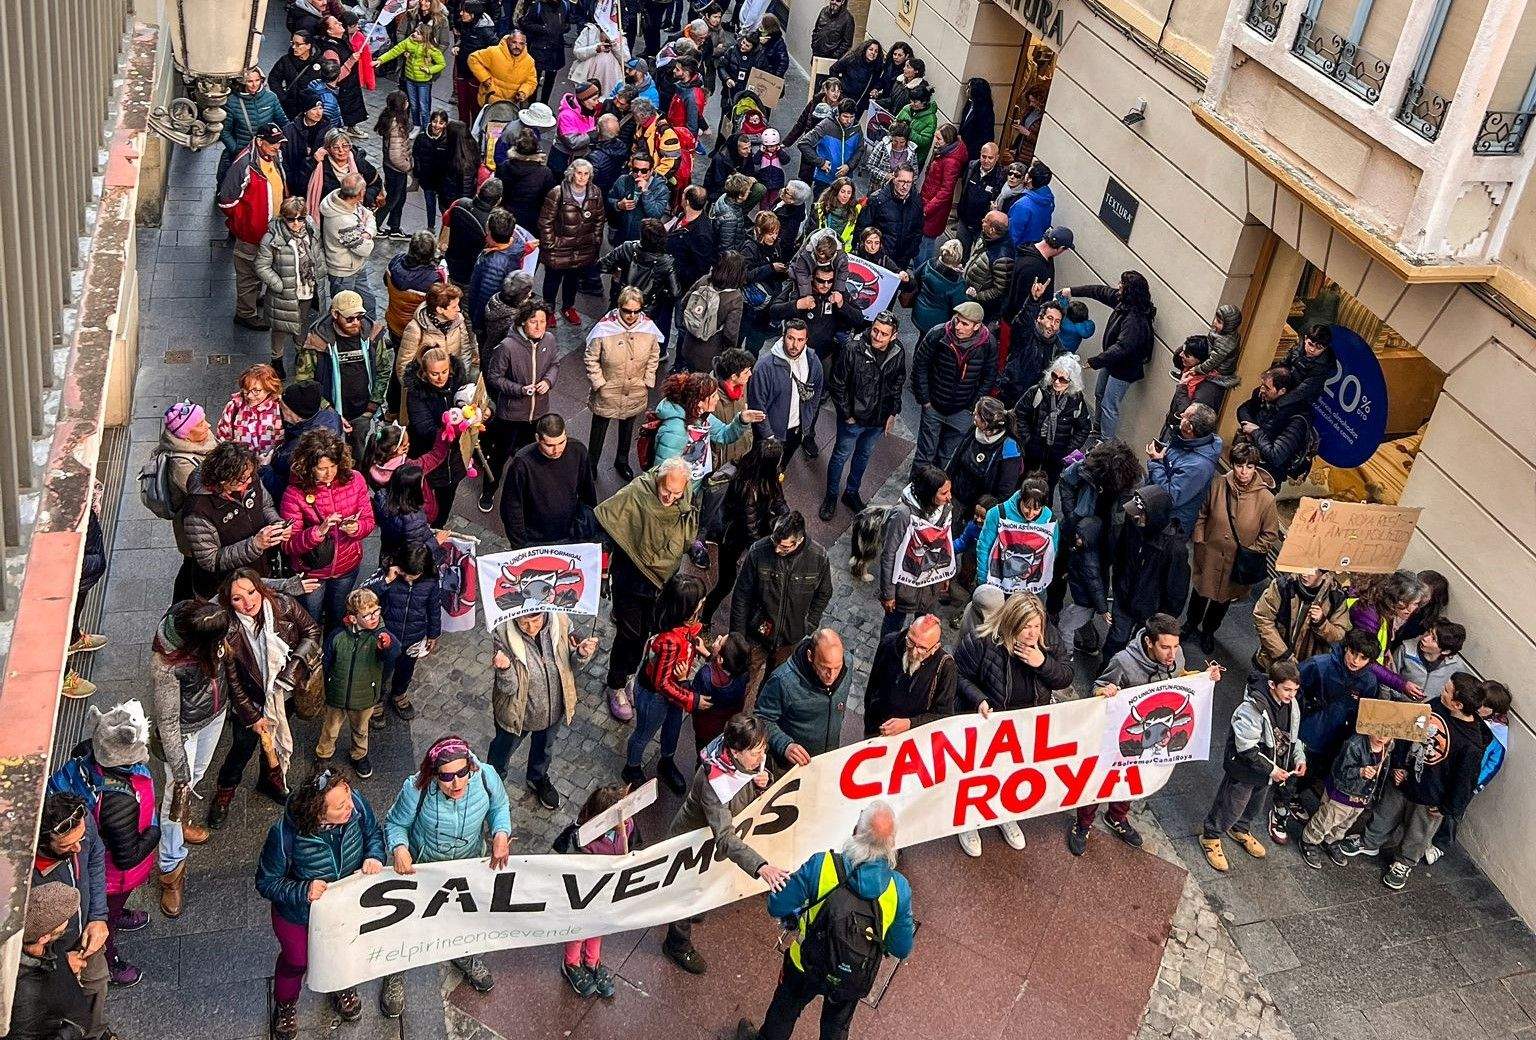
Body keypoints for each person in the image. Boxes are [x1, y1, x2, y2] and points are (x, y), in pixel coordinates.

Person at [737, 802, 915, 1040]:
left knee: (784, 1011)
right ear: (891, 846)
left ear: (855, 832)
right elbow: (901, 948)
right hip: (852, 974)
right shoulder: (898, 889)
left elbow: (776, 906)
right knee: (835, 1029)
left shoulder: (822, 865)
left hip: (805, 963)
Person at [378, 736, 511, 1015]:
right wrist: (399, 848)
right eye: (447, 777)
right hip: (423, 871)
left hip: (466, 868)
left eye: (462, 773)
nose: (456, 783)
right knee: (408, 924)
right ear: (434, 774)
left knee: (461, 917)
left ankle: (462, 954)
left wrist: (501, 832)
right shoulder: (416, 788)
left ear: (470, 766)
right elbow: (395, 823)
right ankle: (395, 970)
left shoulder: (486, 776)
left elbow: (499, 807)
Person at [256, 768, 385, 1040]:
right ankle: (286, 1004)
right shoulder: (283, 835)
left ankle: (340, 986)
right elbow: (266, 882)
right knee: (297, 960)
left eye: (348, 797)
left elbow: (373, 833)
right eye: (340, 806)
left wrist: (374, 855)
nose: (350, 806)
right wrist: (304, 890)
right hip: (298, 914)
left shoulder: (356, 806)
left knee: (342, 952)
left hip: (343, 909)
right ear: (318, 814)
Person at [1083, 614, 1223, 855]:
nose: (1172, 654)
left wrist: (1203, 678)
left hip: (1145, 743)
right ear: (1149, 642)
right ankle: (1083, 823)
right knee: (1099, 780)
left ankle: (1117, 816)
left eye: (1176, 646)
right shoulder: (1123, 662)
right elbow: (1096, 688)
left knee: (1132, 779)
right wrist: (1103, 692)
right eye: (1165, 647)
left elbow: (1180, 678)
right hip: (1117, 736)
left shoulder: (1177, 656)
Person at [662, 714, 790, 974]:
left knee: (699, 885)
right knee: (683, 893)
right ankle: (677, 943)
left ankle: (694, 910)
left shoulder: (744, 758)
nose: (761, 756)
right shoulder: (713, 783)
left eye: (763, 749)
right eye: (755, 752)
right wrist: (761, 867)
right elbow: (724, 836)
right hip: (692, 843)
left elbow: (752, 780)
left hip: (710, 844)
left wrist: (763, 780)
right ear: (735, 751)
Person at [46, 702, 159, 989]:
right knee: (103, 920)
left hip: (100, 856)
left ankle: (117, 914)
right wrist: (155, 832)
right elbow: (127, 856)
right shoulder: (118, 800)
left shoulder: (86, 754)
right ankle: (109, 960)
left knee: (113, 908)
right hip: (112, 876)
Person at [1343, 673, 1487, 889]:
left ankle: (1404, 862)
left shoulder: (1471, 743)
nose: (1442, 692)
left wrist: (1447, 808)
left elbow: (1464, 781)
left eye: (1447, 691)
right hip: (1403, 779)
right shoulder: (1436, 705)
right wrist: (1398, 764)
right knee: (1384, 813)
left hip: (1430, 797)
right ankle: (1369, 841)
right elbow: (1408, 728)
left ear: (1458, 704)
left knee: (1418, 833)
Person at [952, 592, 1071, 856]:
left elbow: (1065, 676)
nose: (1033, 633)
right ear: (1011, 623)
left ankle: (1004, 814)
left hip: (1026, 726)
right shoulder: (982, 640)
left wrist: (1043, 664)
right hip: (987, 724)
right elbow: (957, 675)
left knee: (1012, 774)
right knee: (978, 774)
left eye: (1037, 625)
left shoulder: (1048, 639)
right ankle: (969, 821)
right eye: (1026, 627)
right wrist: (979, 699)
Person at [596, 459, 698, 720]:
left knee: (646, 633)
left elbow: (687, 528)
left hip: (661, 583)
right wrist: (604, 570)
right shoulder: (637, 493)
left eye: (676, 493)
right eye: (666, 490)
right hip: (631, 579)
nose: (670, 498)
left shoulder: (685, 496)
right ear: (658, 481)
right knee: (629, 635)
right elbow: (609, 523)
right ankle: (616, 684)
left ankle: (630, 674)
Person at [149, 601, 230, 915]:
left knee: (196, 776)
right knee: (177, 793)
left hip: (214, 715)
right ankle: (170, 868)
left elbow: (232, 591)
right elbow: (168, 721)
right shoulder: (167, 665)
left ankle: (181, 822)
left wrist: (289, 586)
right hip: (185, 730)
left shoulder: (204, 616)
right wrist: (179, 771)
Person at [1198, 662, 1306, 873]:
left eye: (1295, 689)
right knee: (1230, 804)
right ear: (1272, 684)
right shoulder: (1252, 708)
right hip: (1246, 768)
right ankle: (1210, 837)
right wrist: (1273, 770)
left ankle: (1240, 829)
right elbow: (1246, 748)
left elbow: (1292, 737)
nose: (1292, 695)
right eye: (1287, 689)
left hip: (1268, 769)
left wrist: (1298, 757)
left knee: (1254, 805)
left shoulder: (1291, 704)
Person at [489, 610, 600, 810]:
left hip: (553, 710)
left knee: (544, 749)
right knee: (502, 751)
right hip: (517, 713)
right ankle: (492, 786)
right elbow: (509, 688)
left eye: (536, 620)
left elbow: (570, 667)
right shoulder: (503, 634)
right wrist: (504, 670)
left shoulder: (561, 622)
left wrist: (581, 655)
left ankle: (537, 778)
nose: (530, 627)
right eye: (524, 622)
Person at [1187, 442, 1280, 654]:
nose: (1244, 471)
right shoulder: (1218, 484)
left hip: (1237, 562)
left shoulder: (1266, 499)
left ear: (1255, 468)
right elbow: (1202, 514)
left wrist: (1250, 551)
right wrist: (1200, 541)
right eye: (1239, 465)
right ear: (1233, 465)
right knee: (1200, 592)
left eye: (1249, 466)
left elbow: (1270, 534)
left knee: (1222, 601)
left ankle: (1209, 632)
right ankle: (1190, 624)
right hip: (1210, 552)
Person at [281, 428, 377, 629]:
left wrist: (357, 528)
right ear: (308, 466)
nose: (329, 473)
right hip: (312, 573)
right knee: (310, 623)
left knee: (338, 618)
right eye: (322, 468)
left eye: (333, 466)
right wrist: (318, 532)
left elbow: (368, 521)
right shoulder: (294, 493)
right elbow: (288, 545)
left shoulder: (356, 480)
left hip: (347, 567)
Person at [30, 794, 108, 1038]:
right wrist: (60, 965)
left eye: (80, 838)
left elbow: (95, 856)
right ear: (43, 842)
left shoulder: (81, 822)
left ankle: (96, 1034)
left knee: (96, 985)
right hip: (48, 960)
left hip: (85, 937)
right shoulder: (24, 878)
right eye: (66, 846)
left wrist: (98, 916)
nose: (78, 848)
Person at [173, 440, 289, 602]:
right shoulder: (198, 510)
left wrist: (276, 523)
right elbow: (210, 560)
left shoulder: (248, 476)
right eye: (243, 479)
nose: (250, 481)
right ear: (223, 481)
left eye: (250, 475)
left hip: (258, 574)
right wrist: (254, 545)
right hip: (224, 590)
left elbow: (265, 505)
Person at [622, 574, 708, 792]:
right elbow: (661, 683)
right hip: (655, 696)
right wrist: (692, 699)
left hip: (674, 691)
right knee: (644, 734)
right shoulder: (669, 640)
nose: (703, 602)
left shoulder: (681, 628)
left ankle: (666, 760)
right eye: (699, 600)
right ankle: (632, 767)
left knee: (673, 728)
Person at [821, 311, 904, 519]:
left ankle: (851, 492)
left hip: (877, 420)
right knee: (840, 456)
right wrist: (847, 414)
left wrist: (893, 412)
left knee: (863, 456)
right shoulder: (852, 348)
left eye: (884, 334)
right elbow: (837, 383)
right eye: (875, 330)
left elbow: (897, 383)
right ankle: (831, 496)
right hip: (853, 420)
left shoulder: (898, 352)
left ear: (893, 336)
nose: (877, 336)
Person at [730, 508, 832, 673]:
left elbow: (824, 593)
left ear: (799, 541)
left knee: (775, 682)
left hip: (790, 639)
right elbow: (741, 595)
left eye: (784, 547)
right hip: (756, 633)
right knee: (743, 676)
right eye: (774, 541)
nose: (777, 549)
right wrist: (737, 637)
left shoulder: (818, 557)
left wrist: (809, 623)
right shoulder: (758, 551)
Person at [483, 297, 561, 510]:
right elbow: (494, 377)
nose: (539, 327)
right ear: (523, 322)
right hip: (511, 414)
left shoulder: (549, 340)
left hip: (538, 413)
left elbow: (554, 364)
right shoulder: (507, 346)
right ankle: (489, 489)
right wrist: (519, 389)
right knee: (499, 455)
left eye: (543, 322)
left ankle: (526, 491)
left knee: (532, 454)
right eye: (534, 321)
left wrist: (548, 381)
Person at [558, 786, 635, 998]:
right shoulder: (584, 838)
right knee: (579, 928)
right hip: (585, 891)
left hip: (606, 889)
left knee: (598, 926)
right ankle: (571, 963)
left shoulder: (627, 825)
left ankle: (592, 961)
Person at [1101, 485, 1190, 663]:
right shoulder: (1133, 524)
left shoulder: (1175, 549)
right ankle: (1107, 670)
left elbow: (1176, 591)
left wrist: (1163, 621)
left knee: (1141, 649)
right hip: (1124, 598)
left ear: (1155, 515)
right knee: (1116, 640)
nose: (1135, 517)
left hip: (1151, 612)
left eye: (1141, 514)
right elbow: (1121, 554)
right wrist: (1119, 583)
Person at [297, 290, 390, 460]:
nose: (356, 323)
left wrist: (373, 405)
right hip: (329, 414)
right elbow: (304, 380)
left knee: (359, 453)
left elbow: (384, 369)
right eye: (349, 318)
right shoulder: (317, 341)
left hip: (362, 412)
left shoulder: (373, 335)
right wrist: (328, 410)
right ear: (335, 315)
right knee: (331, 457)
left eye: (360, 317)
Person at [1064, 271, 1156, 441]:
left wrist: (1096, 361)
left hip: (1124, 369)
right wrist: (1072, 291)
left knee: (1109, 405)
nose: (1118, 286)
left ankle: (1106, 443)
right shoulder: (1124, 302)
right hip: (1112, 361)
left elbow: (1122, 347)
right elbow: (1099, 291)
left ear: (1130, 290)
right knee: (1099, 393)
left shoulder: (1135, 319)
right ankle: (1097, 429)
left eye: (1122, 284)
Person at [581, 288, 661, 479]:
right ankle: (591, 465)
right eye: (627, 311)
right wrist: (599, 382)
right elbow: (591, 358)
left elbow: (654, 354)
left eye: (636, 311)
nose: (632, 315)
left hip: (635, 389)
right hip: (608, 389)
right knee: (599, 430)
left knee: (627, 429)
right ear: (619, 308)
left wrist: (648, 378)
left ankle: (622, 461)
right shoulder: (604, 329)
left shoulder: (648, 328)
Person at [910, 301, 997, 473]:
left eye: (965, 324)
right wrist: (925, 400)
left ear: (977, 326)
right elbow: (920, 365)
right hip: (934, 406)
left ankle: (934, 488)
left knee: (946, 458)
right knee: (924, 456)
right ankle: (916, 486)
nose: (958, 326)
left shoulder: (988, 343)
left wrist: (972, 407)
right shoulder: (938, 333)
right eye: (957, 320)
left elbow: (989, 377)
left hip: (962, 412)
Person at [217, 123, 288, 331]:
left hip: (270, 232)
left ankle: (254, 297)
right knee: (248, 274)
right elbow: (226, 201)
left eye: (279, 143)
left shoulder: (273, 157)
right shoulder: (244, 165)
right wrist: (246, 223)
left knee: (262, 268)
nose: (277, 147)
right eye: (273, 143)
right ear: (259, 141)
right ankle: (245, 313)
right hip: (251, 235)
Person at [359, 545, 441, 720]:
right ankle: (376, 699)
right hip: (388, 635)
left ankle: (399, 693)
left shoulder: (431, 582)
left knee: (406, 669)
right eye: (405, 572)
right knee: (382, 670)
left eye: (412, 575)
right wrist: (386, 581)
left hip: (415, 635)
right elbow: (363, 596)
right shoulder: (388, 575)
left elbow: (434, 608)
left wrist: (433, 633)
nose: (407, 577)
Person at [756, 629, 852, 772]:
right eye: (824, 667)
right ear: (810, 656)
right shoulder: (782, 680)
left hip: (826, 759)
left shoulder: (848, 663)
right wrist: (785, 745)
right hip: (792, 766)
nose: (831, 676)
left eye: (837, 668)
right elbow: (762, 718)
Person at [1297, 727, 1390, 870]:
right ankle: (1309, 840)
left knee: (1346, 822)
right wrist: (1360, 771)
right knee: (1327, 819)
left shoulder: (1388, 747)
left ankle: (1331, 840)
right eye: (1379, 731)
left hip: (1362, 796)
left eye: (1388, 734)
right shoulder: (1355, 744)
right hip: (1342, 793)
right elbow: (1340, 770)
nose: (1382, 736)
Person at [501, 413, 598, 549]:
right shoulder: (522, 463)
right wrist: (520, 545)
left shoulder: (578, 450)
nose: (556, 450)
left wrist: (587, 523)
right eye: (550, 445)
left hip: (571, 533)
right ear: (537, 438)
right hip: (535, 539)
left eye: (561, 442)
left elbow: (587, 490)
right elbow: (512, 506)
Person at [879, 465, 954, 638]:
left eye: (949, 491)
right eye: (944, 493)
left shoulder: (945, 509)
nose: (949, 497)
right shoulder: (903, 514)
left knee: (924, 630)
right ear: (929, 493)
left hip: (930, 585)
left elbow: (946, 543)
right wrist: (888, 593)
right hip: (904, 588)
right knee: (892, 630)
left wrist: (945, 575)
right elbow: (889, 554)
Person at [254, 200, 325, 378]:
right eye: (291, 219)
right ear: (283, 217)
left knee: (302, 322)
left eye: (300, 218)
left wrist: (319, 277)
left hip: (306, 289)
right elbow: (261, 266)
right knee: (280, 327)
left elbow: (318, 255)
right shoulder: (272, 238)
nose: (296, 223)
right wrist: (279, 285)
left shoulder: (311, 232)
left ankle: (301, 353)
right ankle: (276, 359)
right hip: (284, 293)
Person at [403, 347, 474, 522]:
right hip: (429, 457)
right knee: (424, 501)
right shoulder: (417, 393)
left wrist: (485, 413)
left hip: (455, 459)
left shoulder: (459, 383)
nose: (441, 378)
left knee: (447, 499)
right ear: (424, 373)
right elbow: (424, 428)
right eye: (434, 374)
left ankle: (440, 524)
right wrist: (453, 429)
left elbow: (476, 401)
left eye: (444, 372)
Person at [14, 881, 92, 1040]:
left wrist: (63, 960)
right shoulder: (25, 993)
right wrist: (71, 1032)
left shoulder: (44, 944)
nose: (68, 918)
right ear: (44, 937)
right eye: (64, 918)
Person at [652, 372, 758, 484]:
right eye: (713, 396)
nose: (717, 398)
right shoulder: (674, 430)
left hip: (698, 484)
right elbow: (664, 474)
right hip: (683, 490)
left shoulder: (702, 416)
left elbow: (723, 434)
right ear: (699, 402)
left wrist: (741, 420)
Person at [863, 614, 954, 738]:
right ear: (909, 631)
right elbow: (873, 684)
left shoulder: (945, 667)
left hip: (911, 737)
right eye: (911, 642)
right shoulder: (889, 643)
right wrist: (869, 722)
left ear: (935, 647)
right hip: (877, 726)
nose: (914, 652)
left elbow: (944, 716)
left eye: (922, 648)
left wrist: (910, 723)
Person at [942, 398, 1022, 537]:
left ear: (986, 422)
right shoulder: (975, 430)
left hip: (979, 509)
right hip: (957, 496)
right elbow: (957, 457)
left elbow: (1005, 490)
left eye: (977, 414)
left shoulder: (1009, 448)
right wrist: (946, 481)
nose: (973, 415)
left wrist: (987, 512)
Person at [539, 159, 607, 325]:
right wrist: (550, 243)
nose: (582, 177)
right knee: (552, 280)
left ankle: (568, 307)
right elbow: (545, 221)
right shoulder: (557, 193)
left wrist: (596, 239)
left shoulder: (595, 193)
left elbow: (599, 219)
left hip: (581, 248)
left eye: (586, 174)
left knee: (572, 280)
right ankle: (548, 310)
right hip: (559, 248)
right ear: (572, 174)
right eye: (579, 173)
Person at [749, 321, 824, 467]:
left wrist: (807, 421)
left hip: (795, 432)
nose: (795, 345)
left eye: (800, 340)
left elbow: (816, 393)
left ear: (806, 340)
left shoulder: (813, 361)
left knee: (782, 468)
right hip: (770, 434)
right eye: (791, 338)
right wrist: (768, 436)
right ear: (783, 336)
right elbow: (757, 404)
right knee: (760, 470)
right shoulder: (764, 367)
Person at [1146, 402, 1223, 540]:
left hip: (1168, 528)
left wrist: (1156, 462)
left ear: (1190, 428)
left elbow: (1170, 496)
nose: (1181, 415)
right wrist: (1164, 452)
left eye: (1185, 416)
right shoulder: (1189, 440)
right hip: (1157, 510)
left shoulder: (1199, 466)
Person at [1015, 354, 1091, 490]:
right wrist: (1027, 439)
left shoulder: (1076, 400)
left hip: (1056, 455)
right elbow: (1019, 414)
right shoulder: (1037, 391)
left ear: (1072, 382)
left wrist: (1068, 450)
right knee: (1023, 484)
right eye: (1054, 376)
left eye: (1063, 379)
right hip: (1032, 450)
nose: (1057, 382)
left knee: (1048, 488)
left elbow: (1084, 428)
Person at [1252, 568, 1350, 671]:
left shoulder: (1336, 598)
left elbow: (1338, 637)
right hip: (1271, 662)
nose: (1304, 574)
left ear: (1324, 574)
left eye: (1311, 571)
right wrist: (1284, 655)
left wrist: (1322, 623)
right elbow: (1263, 618)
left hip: (1306, 670)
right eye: (1304, 568)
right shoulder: (1283, 586)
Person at [974, 475, 1057, 591]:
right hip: (996, 584)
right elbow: (984, 547)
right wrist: (983, 580)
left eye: (1037, 509)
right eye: (1027, 507)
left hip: (1030, 589)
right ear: (1021, 498)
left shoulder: (1050, 520)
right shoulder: (997, 513)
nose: (1031, 513)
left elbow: (1051, 553)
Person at [318, 172, 380, 320]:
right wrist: (368, 233)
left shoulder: (347, 202)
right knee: (344, 313)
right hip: (343, 273)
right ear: (359, 193)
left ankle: (368, 331)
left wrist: (367, 233)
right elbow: (365, 249)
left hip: (356, 267)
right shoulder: (342, 220)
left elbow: (369, 215)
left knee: (368, 303)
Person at [1235, 366, 1313, 482]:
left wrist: (1256, 432)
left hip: (1267, 476)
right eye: (1262, 385)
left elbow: (1276, 456)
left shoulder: (1296, 420)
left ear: (1282, 391)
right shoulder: (1264, 396)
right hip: (1247, 461)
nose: (1262, 390)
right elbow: (1243, 409)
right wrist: (1250, 429)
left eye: (1267, 388)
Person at [224, 67, 295, 193]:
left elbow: (284, 122)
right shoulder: (232, 102)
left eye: (257, 80)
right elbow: (225, 131)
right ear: (242, 82)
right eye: (250, 81)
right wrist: (235, 148)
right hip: (243, 151)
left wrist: (280, 144)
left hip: (266, 151)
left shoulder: (271, 98)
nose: (254, 84)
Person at [679, 252, 748, 372]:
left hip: (689, 345)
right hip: (710, 355)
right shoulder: (735, 297)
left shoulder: (704, 280)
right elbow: (730, 333)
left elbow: (684, 302)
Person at [396, 281, 469, 387]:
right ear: (440, 309)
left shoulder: (459, 321)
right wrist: (416, 391)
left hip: (452, 383)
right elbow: (403, 366)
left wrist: (463, 381)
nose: (458, 309)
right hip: (426, 387)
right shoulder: (415, 329)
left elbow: (465, 353)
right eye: (454, 307)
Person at [411, 112, 475, 231]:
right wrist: (418, 173)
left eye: (441, 122)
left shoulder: (450, 141)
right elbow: (416, 155)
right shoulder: (422, 138)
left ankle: (444, 229)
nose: (437, 125)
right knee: (430, 204)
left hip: (442, 183)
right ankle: (431, 227)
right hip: (428, 179)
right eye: (435, 121)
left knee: (445, 211)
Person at [440, 179, 506, 287]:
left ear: (479, 191)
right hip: (469, 274)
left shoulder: (460, 203)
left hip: (450, 261)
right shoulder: (492, 223)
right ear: (498, 201)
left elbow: (445, 221)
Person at [856, 165, 922, 272]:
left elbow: (918, 229)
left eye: (909, 182)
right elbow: (862, 228)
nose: (905, 186)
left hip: (902, 260)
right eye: (901, 181)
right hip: (879, 259)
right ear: (894, 179)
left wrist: (911, 252)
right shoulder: (877, 200)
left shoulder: (916, 200)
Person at [917, 124, 967, 264]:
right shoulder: (943, 153)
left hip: (934, 209)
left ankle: (922, 271)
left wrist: (927, 209)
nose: (936, 141)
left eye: (938, 138)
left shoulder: (951, 161)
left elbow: (946, 190)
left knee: (926, 243)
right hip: (929, 203)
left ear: (947, 140)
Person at [910, 239, 970, 338]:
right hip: (937, 322)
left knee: (922, 337)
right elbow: (960, 307)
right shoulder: (957, 283)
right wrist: (969, 296)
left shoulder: (929, 265)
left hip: (919, 311)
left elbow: (916, 276)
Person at [963, 210, 1016, 322]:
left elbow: (999, 290)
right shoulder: (986, 236)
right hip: (968, 295)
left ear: (992, 230)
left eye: (986, 221)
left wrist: (976, 296)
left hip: (979, 306)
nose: (982, 221)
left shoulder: (1003, 258)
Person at [452, 2, 500, 122]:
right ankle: (462, 129)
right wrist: (458, 45)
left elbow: (495, 52)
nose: (461, 13)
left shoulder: (486, 32)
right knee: (462, 105)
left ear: (473, 15)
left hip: (476, 77)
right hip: (462, 70)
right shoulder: (465, 24)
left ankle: (473, 131)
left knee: (475, 107)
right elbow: (463, 38)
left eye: (464, 11)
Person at [468, 31, 538, 107]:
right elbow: (473, 58)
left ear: (525, 45)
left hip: (511, 105)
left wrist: (523, 92)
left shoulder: (529, 61)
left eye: (521, 43)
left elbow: (531, 82)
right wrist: (484, 78)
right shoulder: (494, 52)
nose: (517, 46)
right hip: (489, 102)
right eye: (514, 42)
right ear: (508, 41)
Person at [1282, 323, 1337, 407]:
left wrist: (1277, 403)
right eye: (1310, 344)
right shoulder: (1297, 346)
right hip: (1284, 385)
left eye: (1318, 348)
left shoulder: (1323, 367)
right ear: (1305, 339)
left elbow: (1302, 391)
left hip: (1300, 401)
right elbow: (1282, 364)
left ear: (1325, 348)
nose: (1312, 349)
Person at [1006, 160, 1055, 249]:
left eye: (1028, 172)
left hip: (1018, 250)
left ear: (1029, 179)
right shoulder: (1049, 198)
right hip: (1034, 248)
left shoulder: (1022, 205)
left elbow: (1012, 235)